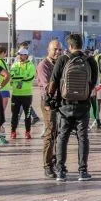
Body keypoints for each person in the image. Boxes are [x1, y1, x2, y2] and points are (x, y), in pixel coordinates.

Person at [49, 33, 98, 181]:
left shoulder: (63, 59)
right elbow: (93, 83)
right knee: (82, 137)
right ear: (81, 45)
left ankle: (61, 171)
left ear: (70, 46)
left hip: (65, 105)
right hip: (83, 105)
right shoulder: (90, 61)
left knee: (62, 137)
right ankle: (83, 171)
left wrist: (50, 98)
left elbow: (53, 82)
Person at [36, 40, 62, 177]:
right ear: (48, 49)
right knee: (50, 132)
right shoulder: (43, 65)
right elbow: (47, 87)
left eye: (60, 50)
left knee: (60, 132)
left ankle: (57, 161)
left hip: (60, 101)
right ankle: (47, 165)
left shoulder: (59, 63)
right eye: (55, 49)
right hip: (48, 102)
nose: (58, 52)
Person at [9, 47, 37, 140]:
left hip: (27, 94)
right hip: (16, 94)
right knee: (14, 115)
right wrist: (22, 77)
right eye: (19, 54)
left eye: (22, 54)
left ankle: (27, 132)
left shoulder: (31, 66)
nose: (20, 56)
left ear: (27, 55)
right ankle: (13, 132)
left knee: (27, 115)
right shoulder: (15, 65)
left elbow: (30, 78)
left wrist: (18, 78)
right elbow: (12, 77)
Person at [0, 46, 11, 145]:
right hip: (2, 90)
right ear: (2, 53)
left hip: (2, 90)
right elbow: (6, 75)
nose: (6, 54)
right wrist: (0, 86)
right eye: (5, 52)